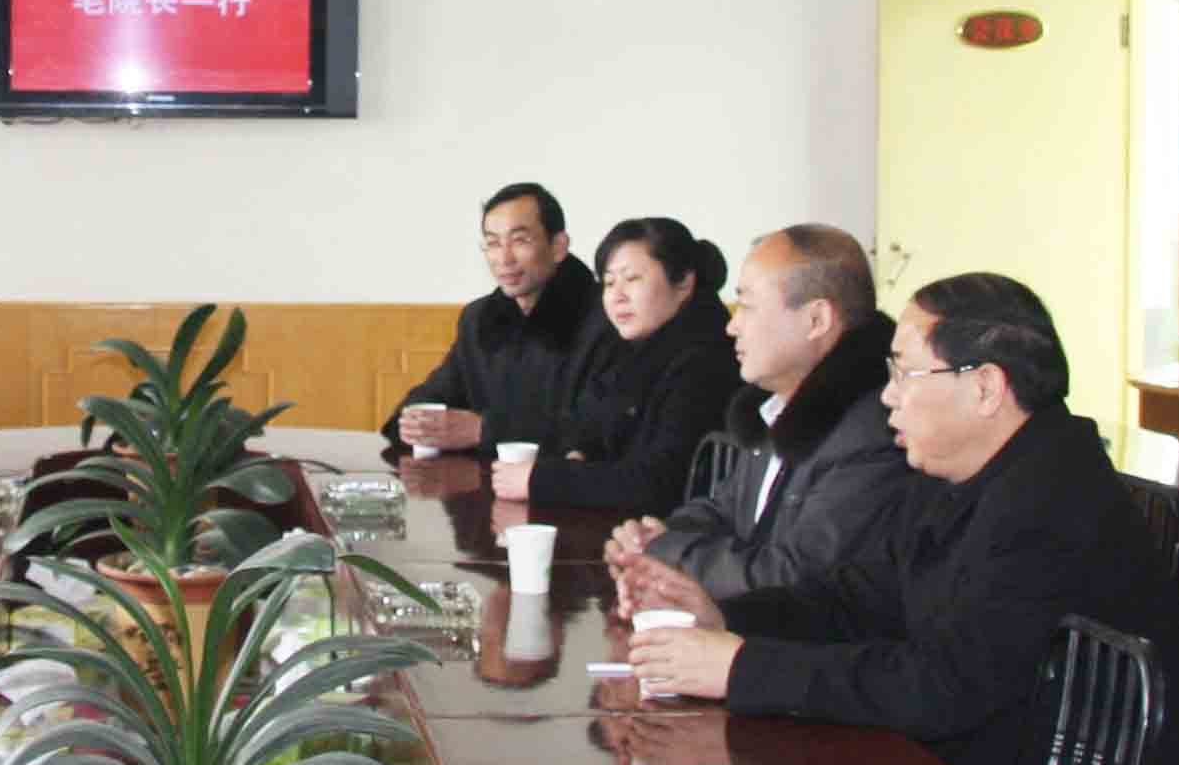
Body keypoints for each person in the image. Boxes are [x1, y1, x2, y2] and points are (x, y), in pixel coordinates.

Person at [626, 272, 1179, 765]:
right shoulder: (968, 475)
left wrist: (741, 668)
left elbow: (942, 686)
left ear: (985, 388)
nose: (887, 397)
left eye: (905, 374)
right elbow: (858, 596)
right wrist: (728, 618)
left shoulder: (1046, 504)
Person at [608, 225, 913, 601]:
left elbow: (789, 577)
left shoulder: (869, 435)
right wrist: (656, 535)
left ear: (816, 320)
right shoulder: (780, 404)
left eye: (748, 306)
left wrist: (666, 553)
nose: (732, 326)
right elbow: (725, 511)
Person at [491, 217, 738, 513]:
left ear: (684, 281)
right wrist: (579, 451)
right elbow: (584, 424)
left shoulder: (705, 360)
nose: (617, 296)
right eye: (609, 283)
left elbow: (660, 484)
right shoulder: (632, 345)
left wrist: (540, 480)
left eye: (632, 279)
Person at [386, 183, 600, 456]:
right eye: (493, 243)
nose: (504, 258)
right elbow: (436, 394)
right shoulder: (480, 320)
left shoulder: (606, 318)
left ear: (558, 246)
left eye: (520, 240)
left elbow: (599, 431)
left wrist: (485, 430)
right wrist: (414, 423)